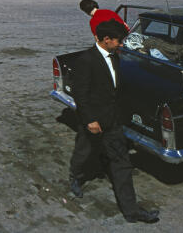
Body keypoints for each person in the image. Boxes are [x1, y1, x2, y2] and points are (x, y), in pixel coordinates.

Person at [69, 20, 159, 224]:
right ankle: (75, 176)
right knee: (83, 153)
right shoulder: (86, 60)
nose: (122, 45)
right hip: (92, 122)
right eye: (119, 41)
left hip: (113, 121)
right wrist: (90, 120)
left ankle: (131, 211)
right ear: (106, 39)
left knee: (121, 164)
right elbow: (80, 94)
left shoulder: (116, 57)